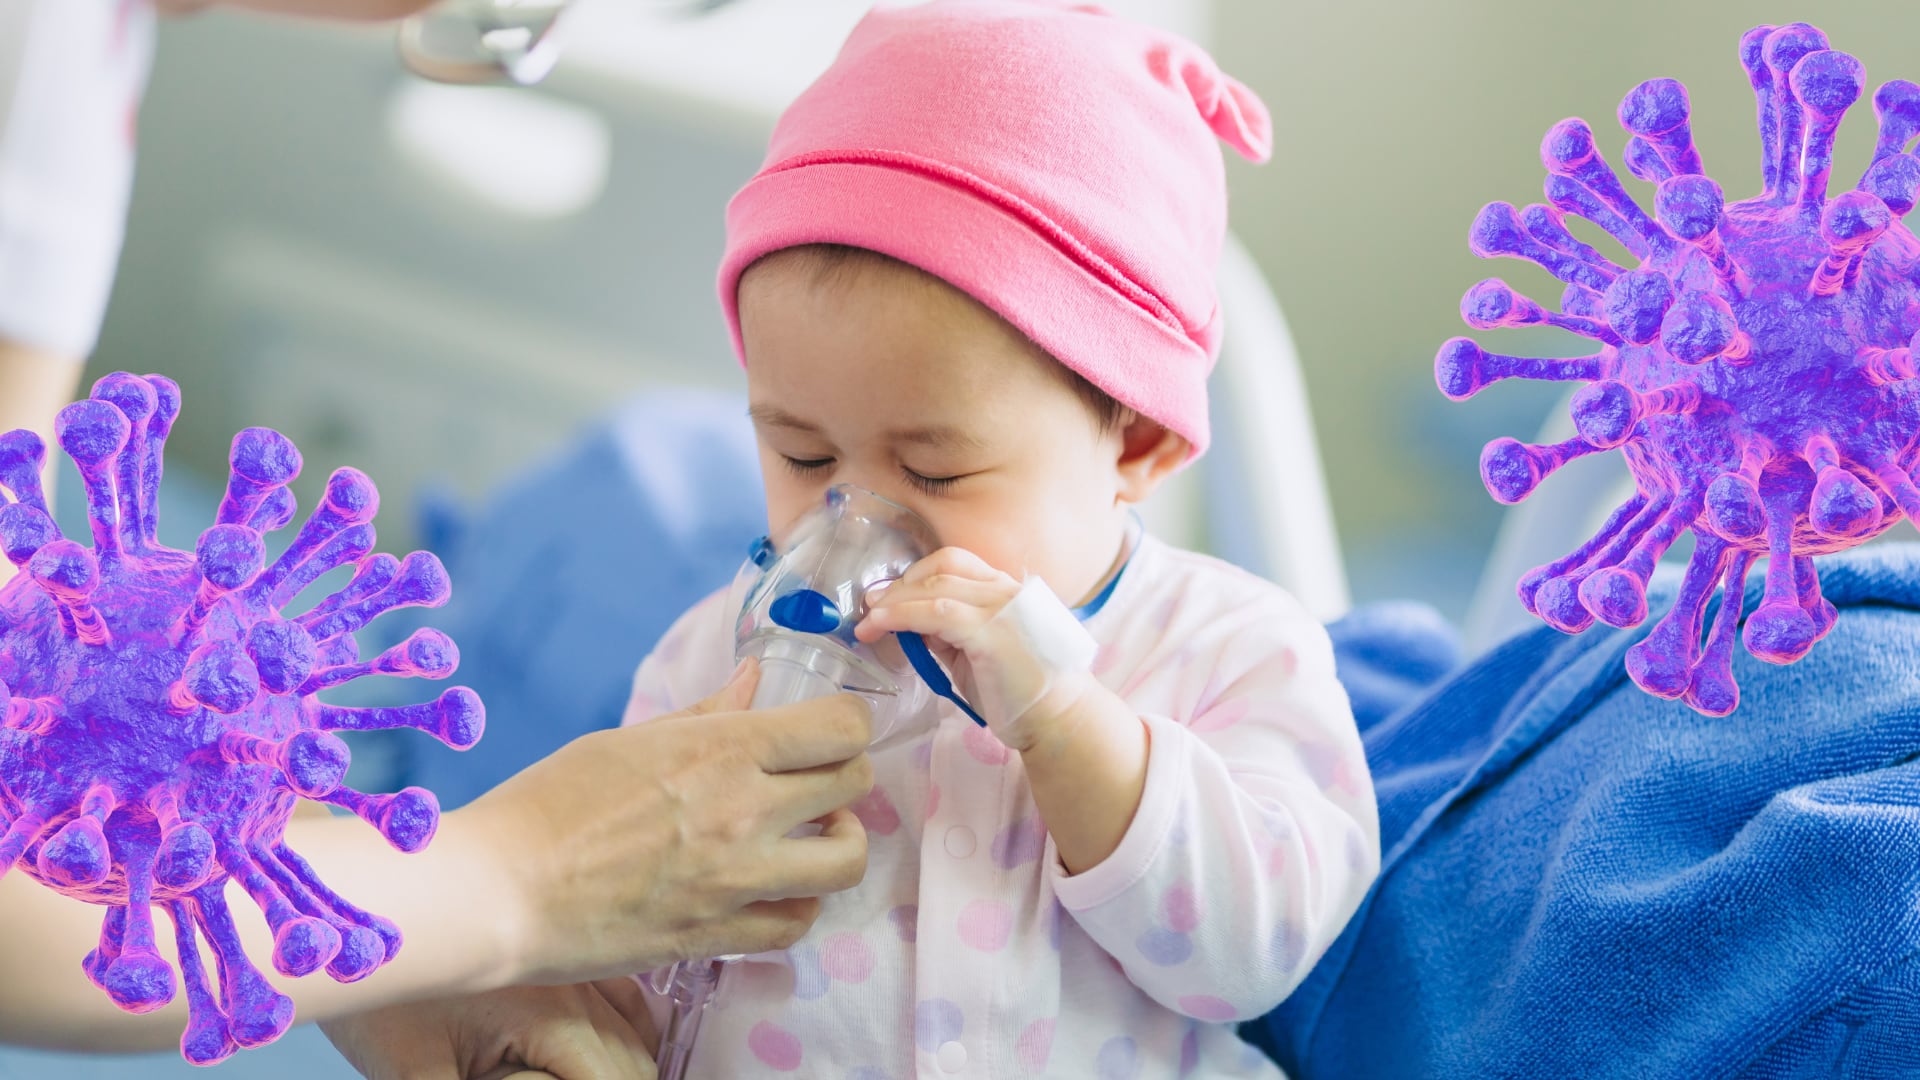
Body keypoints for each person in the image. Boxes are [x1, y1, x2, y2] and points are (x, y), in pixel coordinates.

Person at [343, 3, 1382, 1075]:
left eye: (933, 472)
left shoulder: (1229, 651)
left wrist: (1070, 726)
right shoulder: (718, 664)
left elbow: (1257, 957)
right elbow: (638, 939)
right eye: (803, 456)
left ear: (1139, 441)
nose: (857, 521)